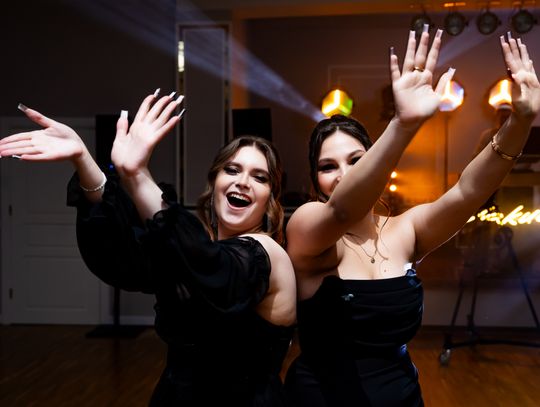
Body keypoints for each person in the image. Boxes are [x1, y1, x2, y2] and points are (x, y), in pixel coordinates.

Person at [283, 27, 539, 407]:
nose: (344, 174)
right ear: (314, 180)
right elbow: (341, 210)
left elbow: (468, 192)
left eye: (356, 160)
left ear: (375, 164)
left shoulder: (405, 230)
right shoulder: (307, 226)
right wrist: (403, 125)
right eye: (328, 166)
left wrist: (520, 122)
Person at [0, 92, 297, 406]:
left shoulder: (266, 253)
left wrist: (137, 173)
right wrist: (83, 158)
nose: (243, 182)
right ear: (215, 184)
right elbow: (126, 256)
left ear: (270, 199)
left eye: (259, 177)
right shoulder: (196, 249)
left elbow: (212, 269)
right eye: (232, 170)